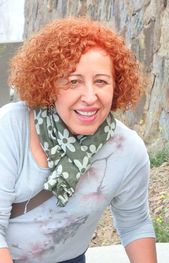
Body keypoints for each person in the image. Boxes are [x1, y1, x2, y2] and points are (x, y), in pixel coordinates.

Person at [0, 17, 157, 263]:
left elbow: (135, 225)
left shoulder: (128, 150)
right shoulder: (10, 126)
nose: (90, 96)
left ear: (117, 86)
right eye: (73, 82)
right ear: (50, 85)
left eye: (101, 82)